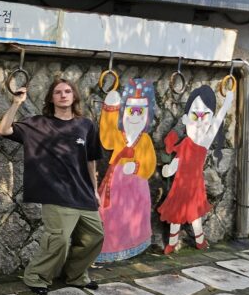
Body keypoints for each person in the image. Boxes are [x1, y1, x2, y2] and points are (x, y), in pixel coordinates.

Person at [0, 77, 104, 295]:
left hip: (83, 192)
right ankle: (36, 277)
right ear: (51, 98)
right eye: (58, 92)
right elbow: (4, 130)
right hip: (55, 193)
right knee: (59, 240)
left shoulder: (86, 125)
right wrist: (16, 103)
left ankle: (75, 276)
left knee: (94, 237)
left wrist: (94, 189)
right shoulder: (39, 124)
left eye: (67, 91)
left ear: (74, 96)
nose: (63, 95)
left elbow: (91, 161)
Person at [159, 84, 233, 254]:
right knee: (175, 216)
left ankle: (200, 240)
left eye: (204, 115)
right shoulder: (184, 143)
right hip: (179, 186)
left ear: (210, 118)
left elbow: (217, 122)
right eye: (195, 115)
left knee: (195, 217)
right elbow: (177, 161)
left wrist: (227, 102)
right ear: (186, 118)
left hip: (194, 187)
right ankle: (172, 242)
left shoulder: (204, 143)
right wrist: (169, 169)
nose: (199, 121)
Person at [96, 78, 156, 263]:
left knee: (133, 219)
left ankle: (133, 246)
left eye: (141, 111)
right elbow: (106, 138)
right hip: (116, 185)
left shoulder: (145, 140)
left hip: (137, 189)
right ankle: (107, 251)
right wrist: (109, 109)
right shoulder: (119, 135)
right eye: (131, 110)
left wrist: (137, 166)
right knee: (110, 216)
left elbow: (150, 164)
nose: (135, 116)